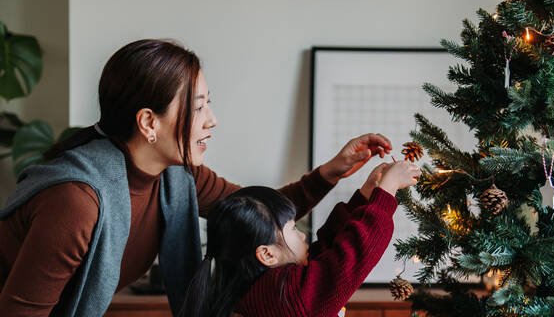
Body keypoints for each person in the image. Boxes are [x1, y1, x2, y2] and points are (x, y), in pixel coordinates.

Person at [0, 39, 394, 317]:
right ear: (148, 122)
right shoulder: (77, 202)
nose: (212, 120)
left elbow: (258, 215)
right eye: (199, 107)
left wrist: (331, 171)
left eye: (209, 104)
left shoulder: (178, 175)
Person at [178, 160, 420, 317]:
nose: (302, 234)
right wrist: (386, 190)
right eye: (293, 228)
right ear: (267, 254)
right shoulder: (286, 297)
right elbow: (349, 258)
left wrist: (365, 197)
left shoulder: (260, 286)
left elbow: (323, 257)